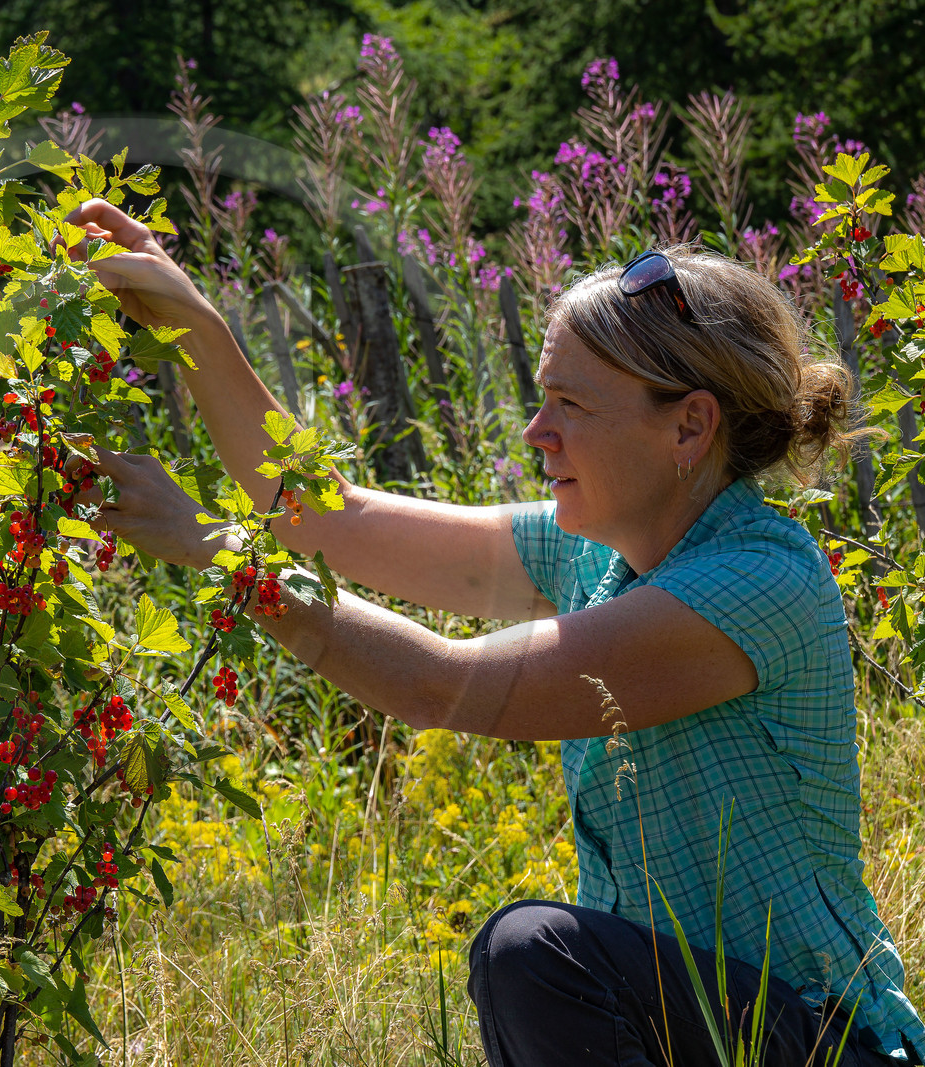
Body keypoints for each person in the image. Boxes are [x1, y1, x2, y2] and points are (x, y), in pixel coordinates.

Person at [58, 198, 925, 1066]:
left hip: (826, 1038)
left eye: (569, 405)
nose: (535, 432)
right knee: (539, 956)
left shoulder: (758, 580)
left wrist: (217, 551)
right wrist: (197, 324)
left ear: (690, 426)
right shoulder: (594, 551)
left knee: (536, 955)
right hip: (703, 1023)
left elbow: (444, 685)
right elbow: (329, 517)